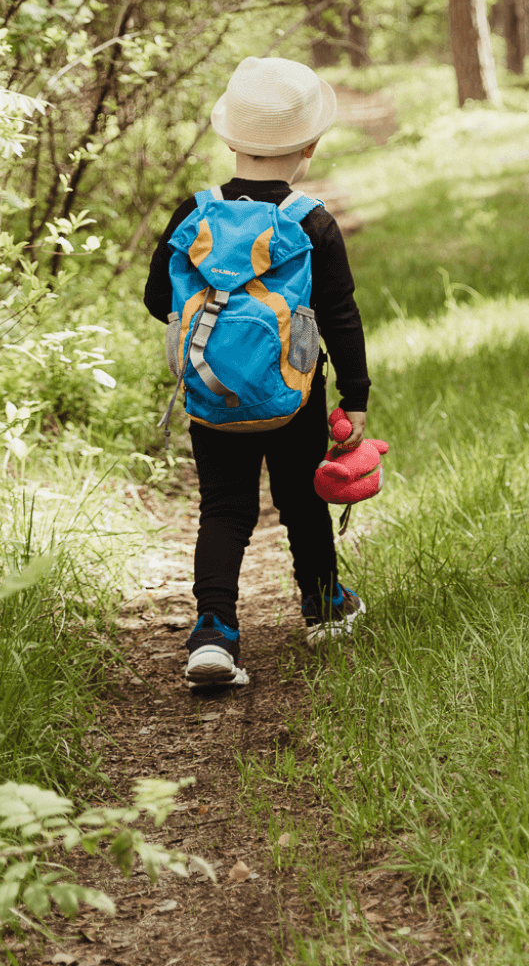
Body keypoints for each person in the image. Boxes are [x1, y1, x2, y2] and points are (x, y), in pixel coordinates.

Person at [144, 56, 371, 686]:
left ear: (230, 138)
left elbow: (156, 299)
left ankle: (213, 632)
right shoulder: (311, 221)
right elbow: (340, 315)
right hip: (295, 395)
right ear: (310, 144)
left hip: (210, 397)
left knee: (223, 507)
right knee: (302, 500)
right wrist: (354, 396)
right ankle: (322, 604)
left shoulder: (194, 213)